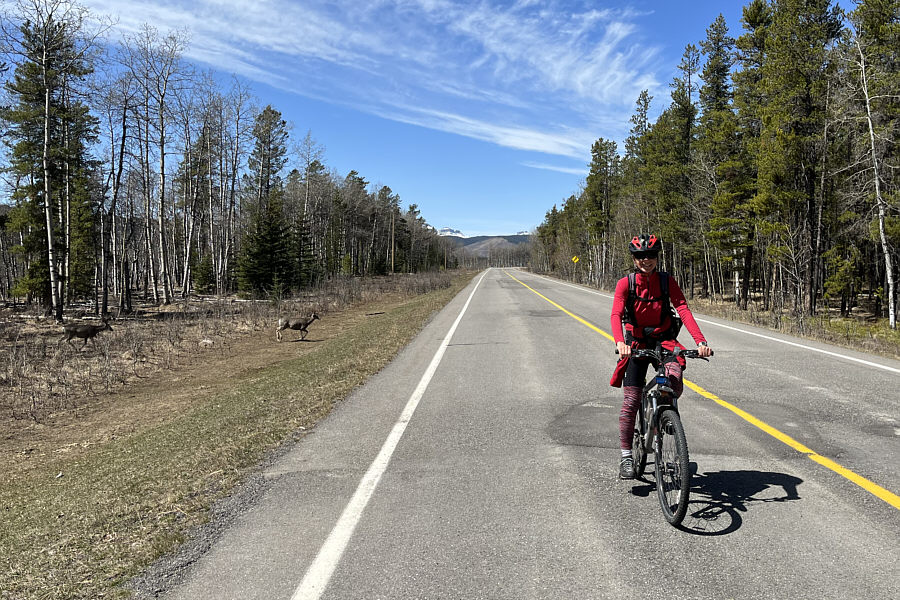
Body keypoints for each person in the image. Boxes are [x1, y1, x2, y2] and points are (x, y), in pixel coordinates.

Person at [609, 234, 712, 479]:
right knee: (631, 401)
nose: (646, 259)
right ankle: (626, 457)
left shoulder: (666, 281)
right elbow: (616, 314)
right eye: (641, 256)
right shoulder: (626, 283)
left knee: (674, 376)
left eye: (651, 255)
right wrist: (620, 342)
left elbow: (683, 309)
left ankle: (666, 415)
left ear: (657, 257)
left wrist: (700, 342)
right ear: (634, 259)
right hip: (635, 343)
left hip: (664, 340)